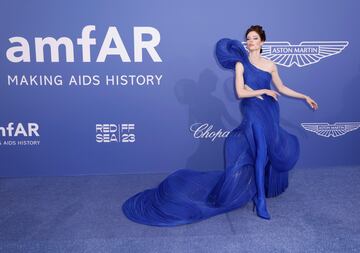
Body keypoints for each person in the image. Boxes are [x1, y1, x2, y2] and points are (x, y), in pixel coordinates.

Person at [122, 25, 318, 226]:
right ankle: (260, 201)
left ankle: (260, 192)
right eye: (248, 39)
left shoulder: (270, 65)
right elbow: (240, 93)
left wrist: (304, 96)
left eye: (254, 38)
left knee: (267, 153)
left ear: (262, 42)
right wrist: (262, 92)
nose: (250, 42)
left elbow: (282, 87)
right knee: (260, 154)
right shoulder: (241, 65)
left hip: (270, 112)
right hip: (253, 113)